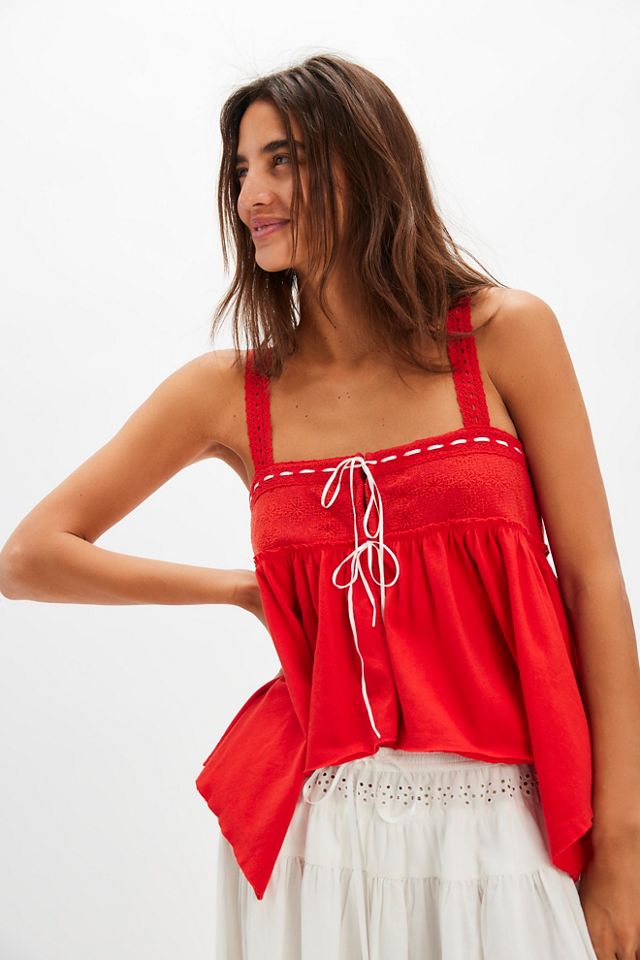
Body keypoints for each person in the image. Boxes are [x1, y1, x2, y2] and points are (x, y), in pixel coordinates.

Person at [1, 52, 638, 959]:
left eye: (283, 160)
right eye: (240, 170)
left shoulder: (502, 336)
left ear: (368, 163)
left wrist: (623, 848)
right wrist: (240, 590)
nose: (251, 196)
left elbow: (593, 583)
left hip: (503, 823)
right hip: (317, 838)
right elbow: (29, 557)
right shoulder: (232, 391)